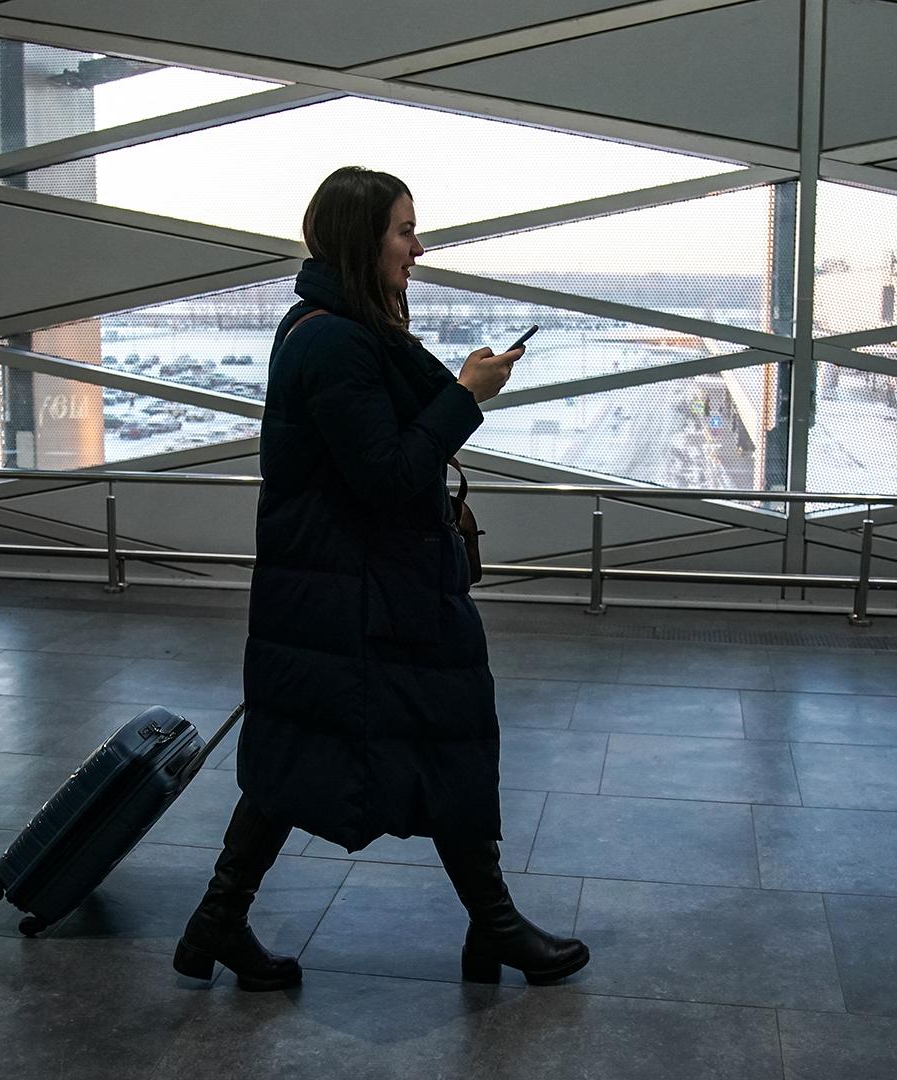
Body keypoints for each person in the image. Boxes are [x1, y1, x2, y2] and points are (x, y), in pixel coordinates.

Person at [172, 166, 589, 991]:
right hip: (358, 595)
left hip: (356, 590)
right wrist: (465, 396)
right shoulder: (334, 341)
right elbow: (389, 475)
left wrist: (463, 386)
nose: (418, 247)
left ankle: (220, 922)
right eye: (404, 230)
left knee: (336, 744)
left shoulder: (343, 329)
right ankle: (491, 926)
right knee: (423, 737)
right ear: (363, 240)